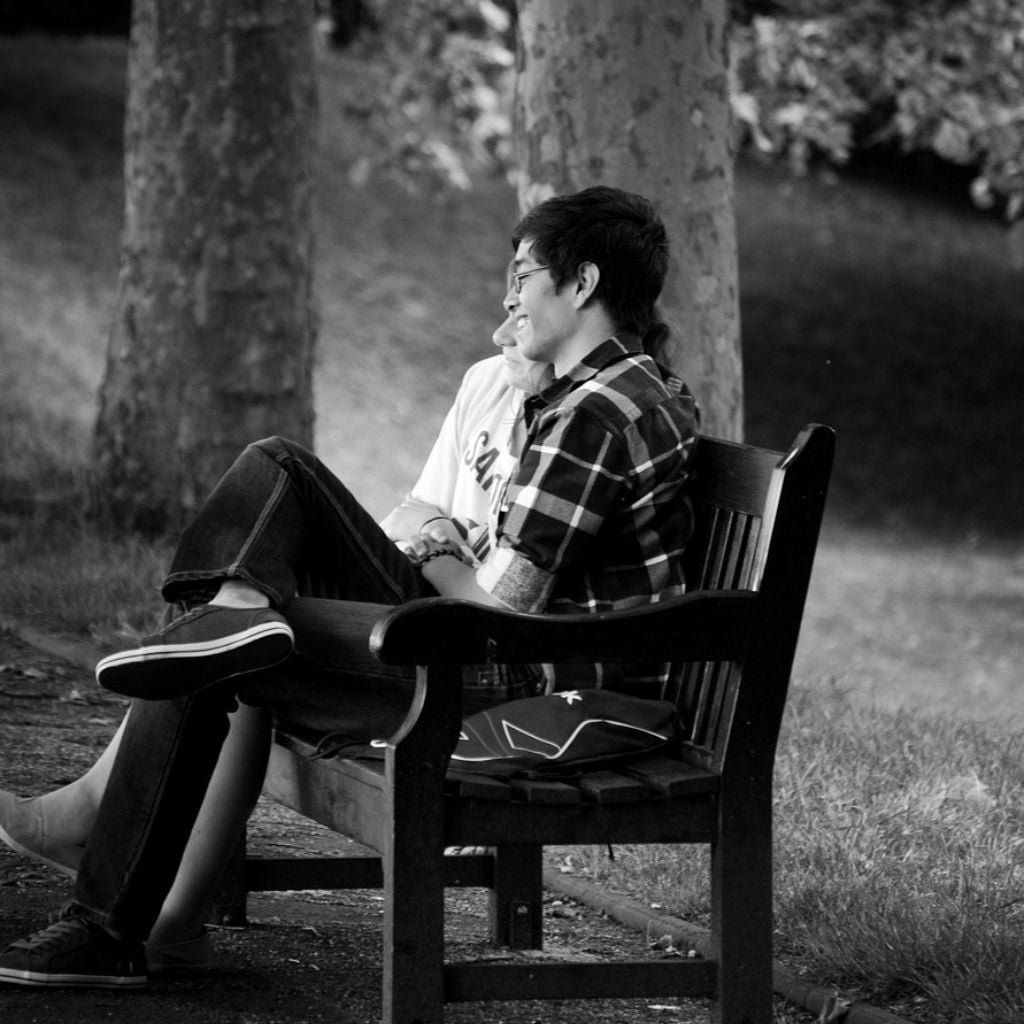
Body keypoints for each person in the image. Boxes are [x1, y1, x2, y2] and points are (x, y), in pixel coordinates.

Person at [0, 185, 699, 988]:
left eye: (524, 274)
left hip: (506, 680)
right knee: (277, 473)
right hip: (495, 652)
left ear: (581, 283)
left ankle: (107, 923)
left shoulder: (598, 412)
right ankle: (231, 613)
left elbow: (505, 607)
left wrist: (435, 547)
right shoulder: (607, 391)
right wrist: (443, 553)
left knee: (219, 641)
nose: (509, 295)